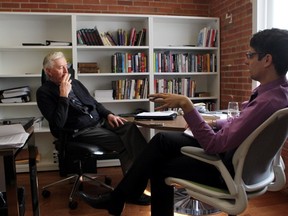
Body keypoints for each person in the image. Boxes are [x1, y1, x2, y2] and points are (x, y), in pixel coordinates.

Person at [106, 28, 288, 216]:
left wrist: (186, 105)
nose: (245, 60)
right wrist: (215, 123)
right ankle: (121, 197)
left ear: (267, 60)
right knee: (162, 140)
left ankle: (119, 198)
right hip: (245, 164)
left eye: (250, 55)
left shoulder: (266, 103)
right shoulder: (280, 94)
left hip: (225, 170)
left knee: (159, 165)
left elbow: (213, 145)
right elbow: (242, 123)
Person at [36, 51, 150, 205]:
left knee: (129, 128)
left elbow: (94, 104)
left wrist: (109, 114)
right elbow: (58, 124)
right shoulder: (43, 93)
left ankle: (148, 166)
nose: (66, 71)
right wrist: (63, 95)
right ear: (48, 71)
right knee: (122, 144)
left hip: (100, 121)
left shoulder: (75, 83)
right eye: (60, 68)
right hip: (79, 131)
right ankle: (133, 191)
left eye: (66, 66)